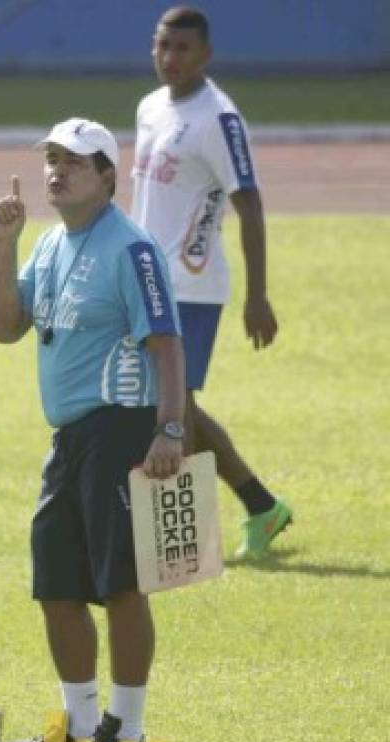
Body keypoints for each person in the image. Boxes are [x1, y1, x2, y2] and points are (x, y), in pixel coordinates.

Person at [0, 119, 185, 742]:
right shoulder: (47, 245)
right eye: (51, 158)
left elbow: (167, 343)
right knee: (57, 585)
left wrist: (170, 429)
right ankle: (76, 725)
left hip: (122, 426)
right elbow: (5, 327)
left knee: (121, 582)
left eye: (74, 161)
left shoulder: (131, 248)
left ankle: (126, 728)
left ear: (107, 177)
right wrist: (3, 245)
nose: (56, 170)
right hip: (70, 438)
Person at [131, 5, 292, 558]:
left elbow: (249, 205)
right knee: (177, 407)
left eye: (181, 48)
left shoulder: (218, 119)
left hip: (192, 287)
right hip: (146, 281)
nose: (168, 57)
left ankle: (183, 540)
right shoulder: (150, 108)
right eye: (161, 45)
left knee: (172, 408)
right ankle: (259, 505)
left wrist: (258, 294)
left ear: (206, 54)